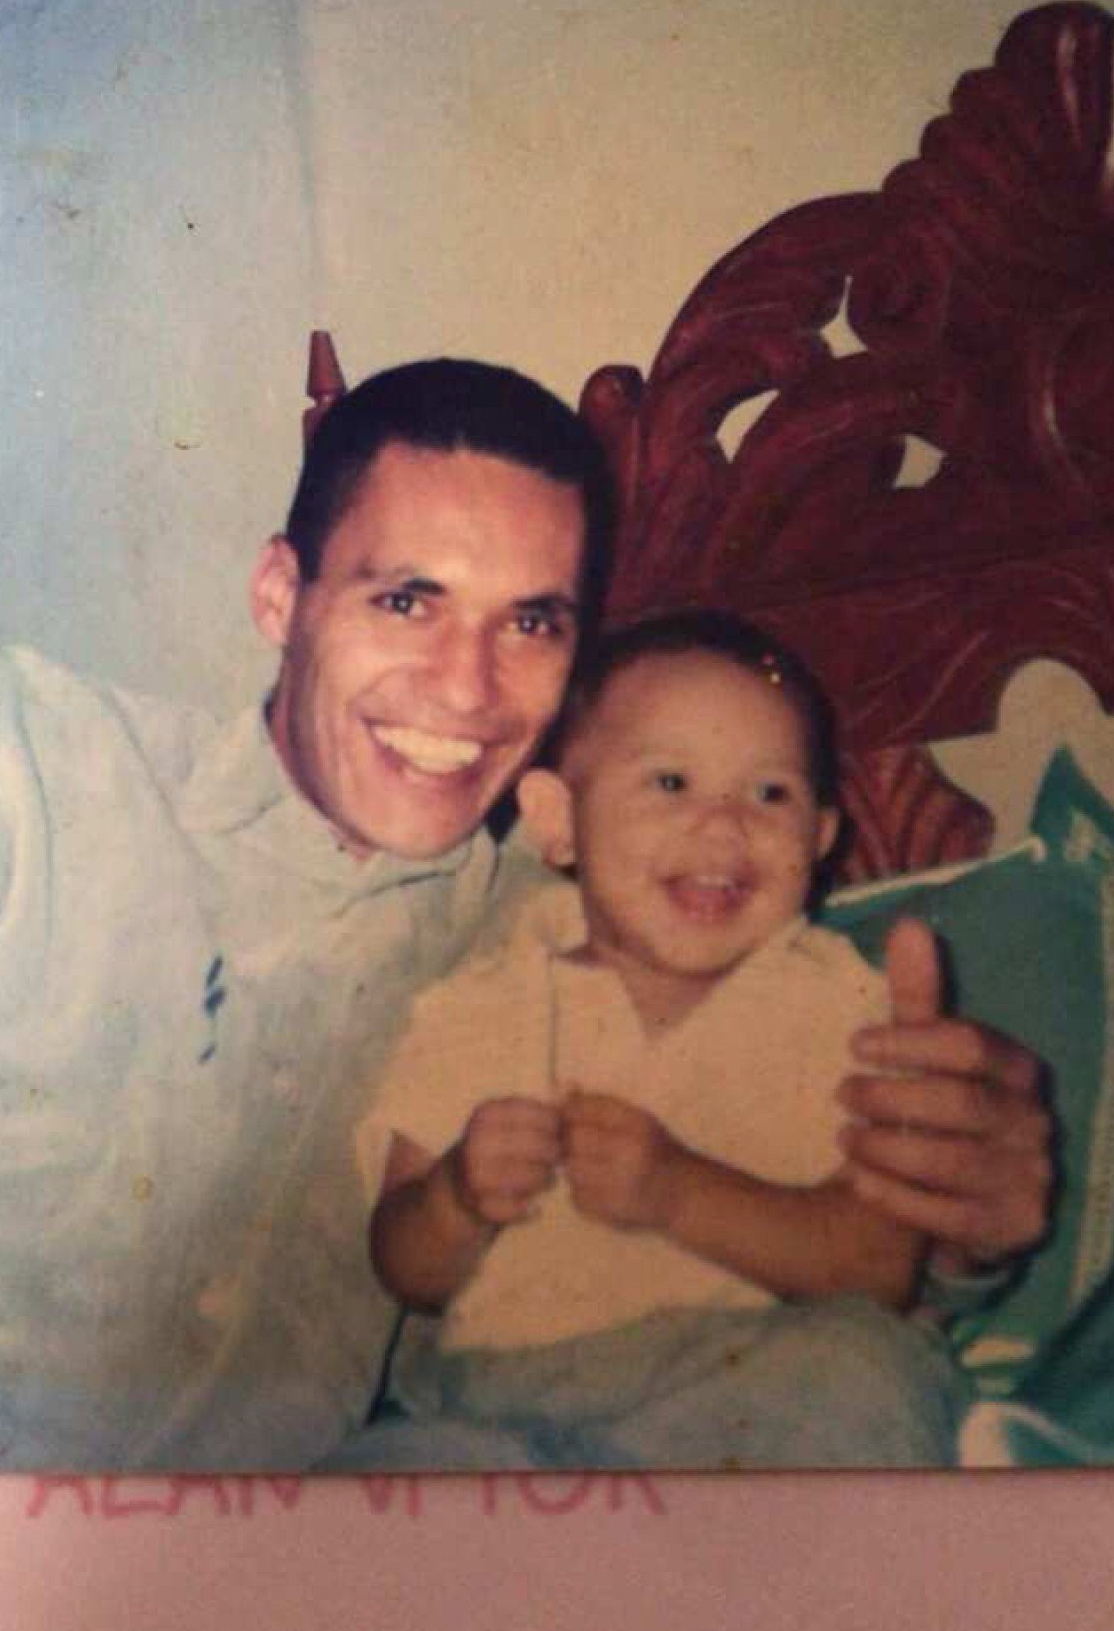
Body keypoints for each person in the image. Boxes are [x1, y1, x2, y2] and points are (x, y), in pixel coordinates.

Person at [0, 358, 1050, 1471]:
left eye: (530, 624)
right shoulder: (26, 775)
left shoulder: (584, 936)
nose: (468, 691)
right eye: (406, 601)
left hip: (342, 1544)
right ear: (281, 596)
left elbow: (780, 1286)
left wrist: (963, 1220)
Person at [360, 613, 969, 1468]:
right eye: (672, 782)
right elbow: (403, 1268)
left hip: (763, 1378)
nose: (724, 828)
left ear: (821, 839)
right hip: (506, 1395)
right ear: (558, 820)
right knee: (392, 1473)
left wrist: (676, 1193)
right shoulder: (486, 1003)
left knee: (869, 1379)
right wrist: (456, 1198)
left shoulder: (841, 1003)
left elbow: (880, 1265)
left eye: (771, 794)